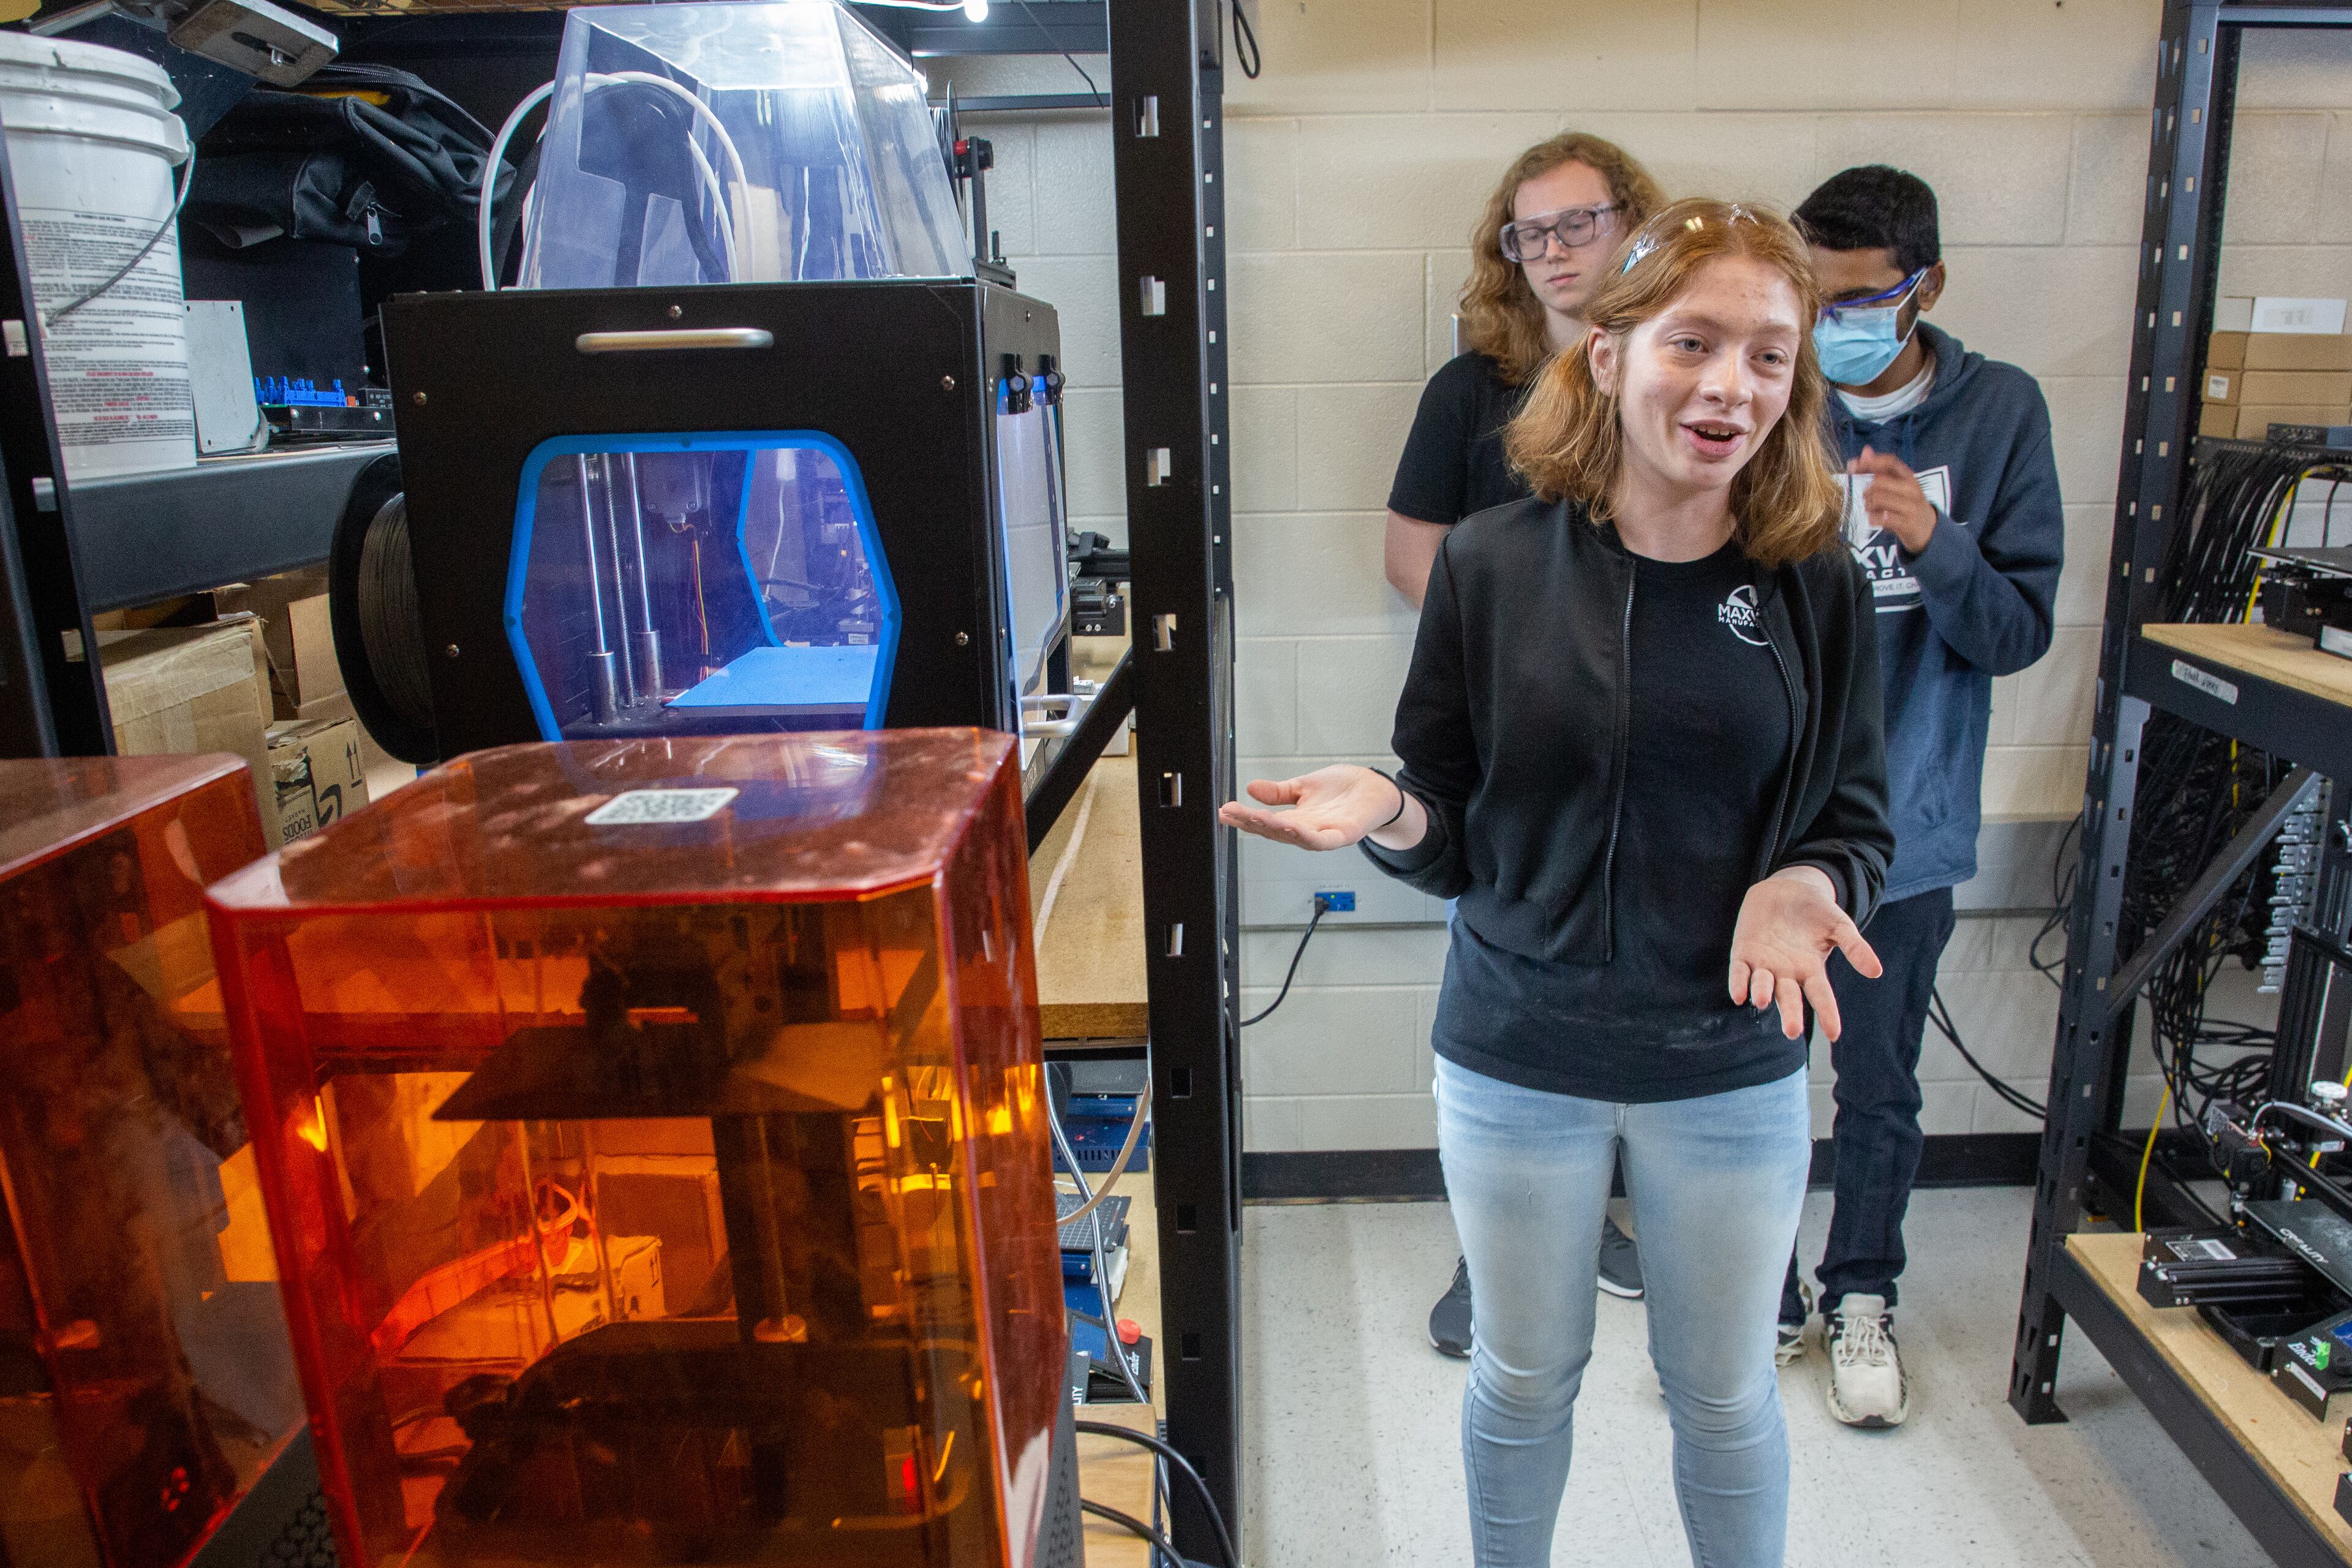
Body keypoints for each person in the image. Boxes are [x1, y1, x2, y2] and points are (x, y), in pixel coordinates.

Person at [1224, 199, 1893, 1568]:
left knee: (1723, 1395)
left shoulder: (1812, 581)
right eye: (1694, 342)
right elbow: (1454, 831)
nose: (1731, 385)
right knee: (1524, 1378)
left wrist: (1810, 876)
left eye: (1769, 356)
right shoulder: (1490, 563)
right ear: (1607, 355)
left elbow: (1858, 818)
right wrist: (1389, 810)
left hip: (1728, 1069)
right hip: (1518, 1058)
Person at [1771, 167, 2064, 1431]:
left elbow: (2019, 631)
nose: (1831, 323)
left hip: (1913, 824)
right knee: (1750, 1076)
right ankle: (1756, 1295)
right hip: (1768, 826)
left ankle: (1860, 1293)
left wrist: (1933, 543)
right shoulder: (1774, 400)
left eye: (1856, 299)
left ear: (1923, 287)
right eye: (1811, 297)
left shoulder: (1998, 415)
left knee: (1878, 1078)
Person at [1386, 133, 1667, 1352]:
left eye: (1578, 224)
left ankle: (1621, 1221)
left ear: (1632, 225)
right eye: (1529, 232)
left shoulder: (1673, 375)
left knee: (1652, 979)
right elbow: (1412, 550)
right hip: (1516, 747)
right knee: (1502, 993)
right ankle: (1489, 1253)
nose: (1553, 252)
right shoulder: (1473, 390)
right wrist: (1516, 646)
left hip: (1664, 748)